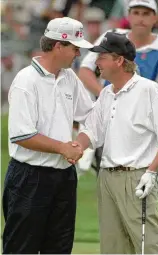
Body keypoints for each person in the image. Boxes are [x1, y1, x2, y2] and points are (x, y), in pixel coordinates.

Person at [70, 32, 158, 254]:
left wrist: (151, 172)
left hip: (137, 178)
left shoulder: (149, 90)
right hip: (106, 178)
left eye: (102, 57)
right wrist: (76, 147)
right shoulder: (106, 93)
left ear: (119, 60)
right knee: (113, 247)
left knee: (150, 246)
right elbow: (91, 131)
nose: (97, 62)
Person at [2, 17, 94, 254]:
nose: (77, 54)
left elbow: (91, 116)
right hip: (29, 179)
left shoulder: (69, 78)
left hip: (64, 178)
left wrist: (79, 144)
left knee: (59, 249)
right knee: (21, 249)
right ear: (58, 45)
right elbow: (22, 135)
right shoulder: (26, 80)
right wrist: (63, 148)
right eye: (75, 48)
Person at [78, 0, 158, 175]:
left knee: (143, 189)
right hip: (108, 126)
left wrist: (132, 106)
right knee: (108, 185)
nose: (140, 18)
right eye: (136, 13)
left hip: (144, 131)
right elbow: (85, 70)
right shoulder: (111, 36)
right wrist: (107, 97)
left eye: (146, 14)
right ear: (128, 16)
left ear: (155, 18)